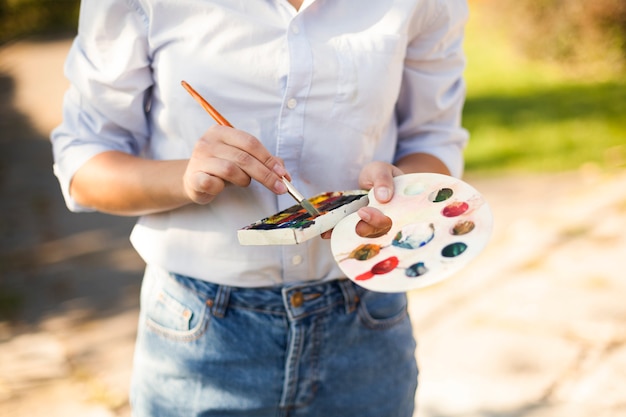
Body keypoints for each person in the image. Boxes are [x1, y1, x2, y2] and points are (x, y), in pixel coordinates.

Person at [51, 0, 469, 415]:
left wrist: (399, 190)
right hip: (202, 333)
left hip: (365, 325)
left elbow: (433, 139)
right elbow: (83, 163)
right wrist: (186, 177)